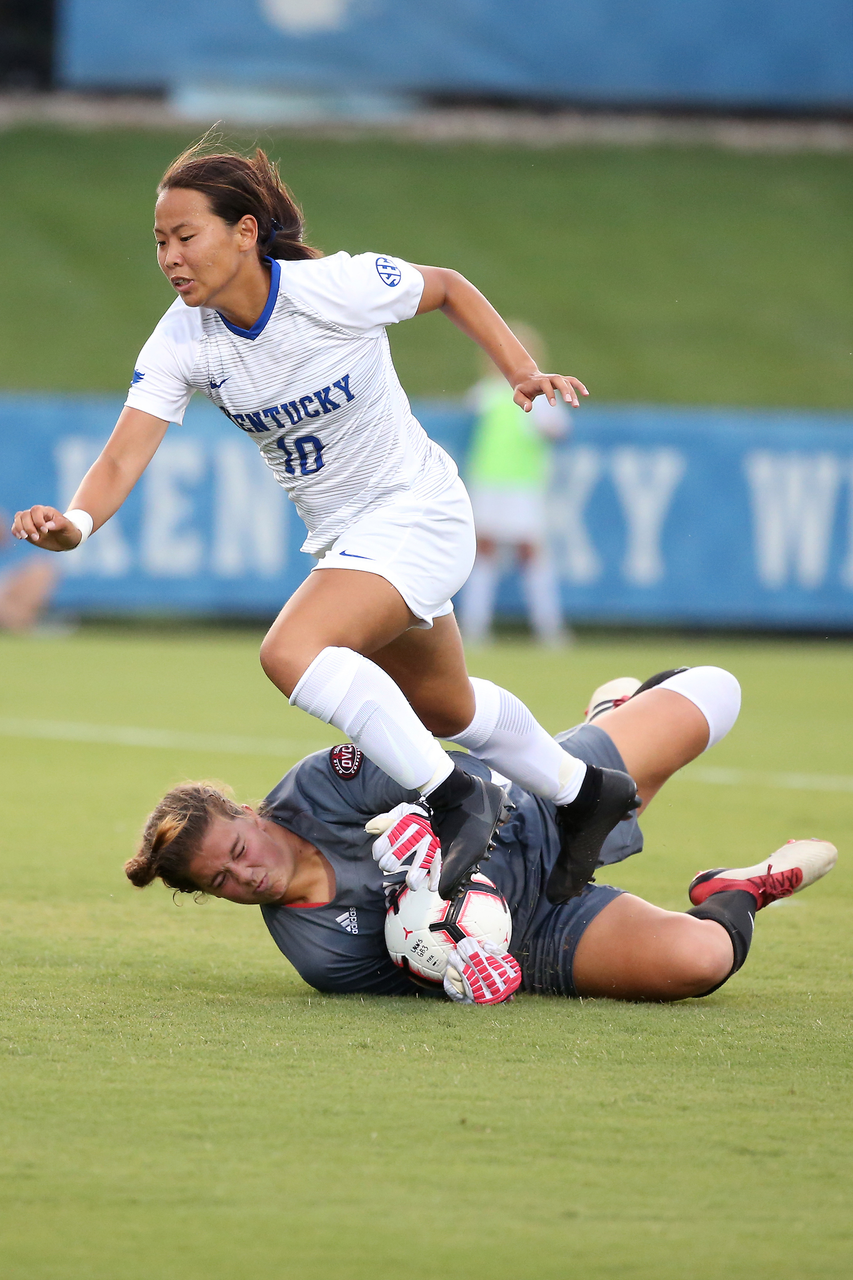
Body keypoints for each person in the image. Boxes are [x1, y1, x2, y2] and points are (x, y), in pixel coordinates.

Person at [11, 140, 637, 903]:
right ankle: (582, 793)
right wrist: (74, 523)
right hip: (354, 541)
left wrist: (519, 373)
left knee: (291, 651)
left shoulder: (329, 287)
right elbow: (118, 461)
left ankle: (453, 797)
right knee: (447, 705)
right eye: (159, 243)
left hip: (417, 510)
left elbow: (446, 286)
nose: (170, 257)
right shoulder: (181, 338)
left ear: (245, 232)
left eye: (185, 236)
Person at [124, 665, 838, 1005]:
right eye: (221, 882)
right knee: (699, 962)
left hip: (535, 813)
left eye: (238, 852)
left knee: (715, 692)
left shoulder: (322, 784)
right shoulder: (322, 958)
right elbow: (436, 968)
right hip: (535, 929)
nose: (244, 877)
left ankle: (613, 716)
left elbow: (474, 786)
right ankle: (734, 889)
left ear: (248, 814)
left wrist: (436, 845)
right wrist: (463, 961)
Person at [460, 323, 571, 646]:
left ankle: (549, 628)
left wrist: (543, 423)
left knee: (530, 551)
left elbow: (558, 430)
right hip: (488, 481)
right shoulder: (486, 393)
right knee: (484, 549)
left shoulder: (541, 394)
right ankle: (474, 628)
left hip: (523, 485)